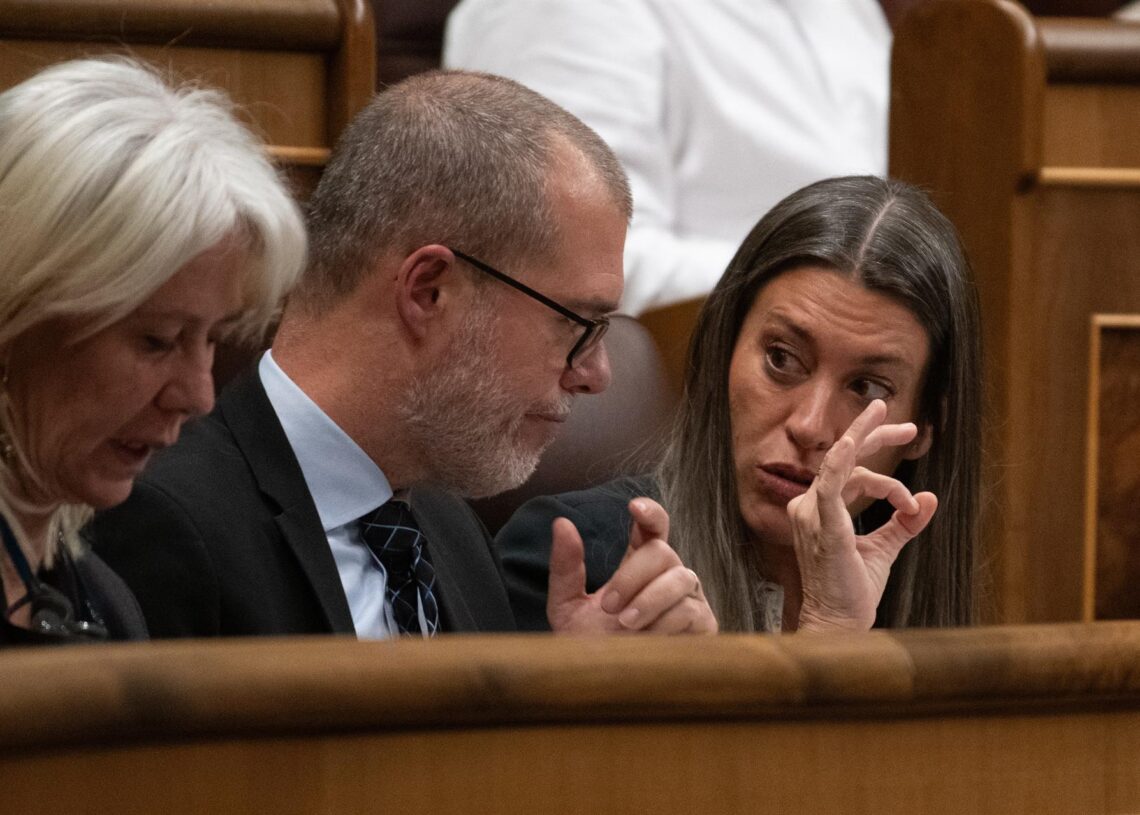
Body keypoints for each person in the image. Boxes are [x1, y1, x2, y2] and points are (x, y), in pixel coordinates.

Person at [92, 70, 717, 639]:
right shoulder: (166, 524)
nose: (596, 374)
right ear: (429, 291)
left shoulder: (448, 528)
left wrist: (562, 699)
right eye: (573, 322)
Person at [498, 175, 981, 632]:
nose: (810, 426)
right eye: (781, 359)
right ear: (724, 350)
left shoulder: (917, 598)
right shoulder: (576, 565)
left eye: (868, 390)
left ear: (926, 427)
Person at [0, 59, 306, 645]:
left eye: (213, 340)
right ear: (16, 317)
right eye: (156, 340)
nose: (197, 395)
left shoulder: (105, 600)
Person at [444, 0, 893, 315]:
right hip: (699, 393)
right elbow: (580, 264)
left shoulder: (847, 10)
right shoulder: (566, 11)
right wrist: (861, 283)